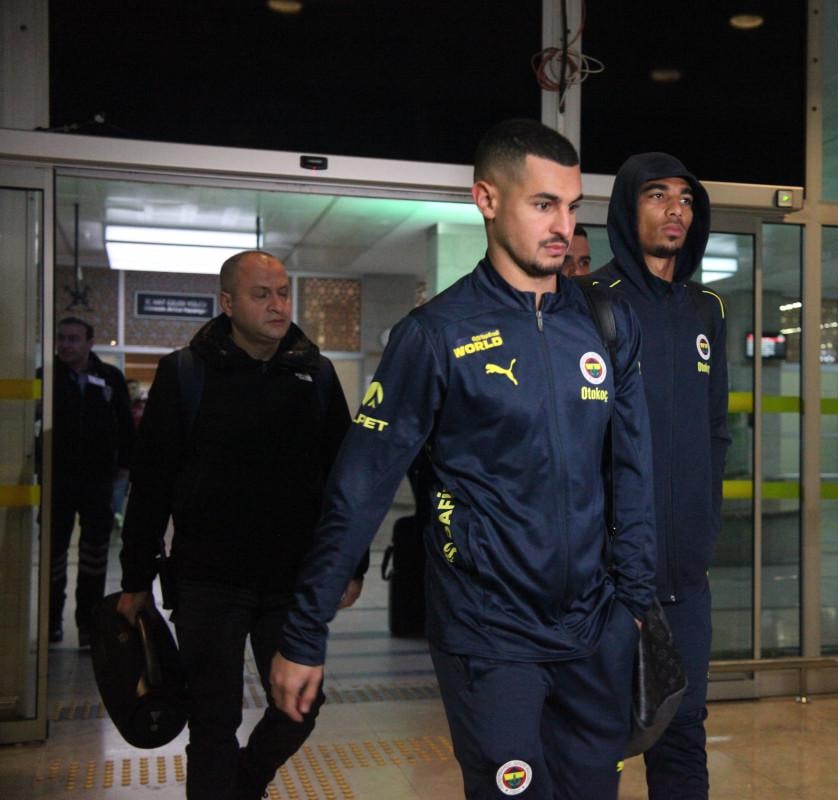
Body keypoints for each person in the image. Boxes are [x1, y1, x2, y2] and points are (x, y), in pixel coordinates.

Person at [270, 119, 657, 800]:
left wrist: (633, 604)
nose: (563, 226)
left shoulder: (605, 325)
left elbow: (633, 471)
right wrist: (306, 629)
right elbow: (361, 484)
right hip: (489, 636)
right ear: (487, 199)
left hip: (594, 632)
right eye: (543, 204)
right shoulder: (436, 336)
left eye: (572, 206)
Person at [116, 250, 364, 800]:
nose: (278, 305)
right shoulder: (186, 373)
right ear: (228, 303)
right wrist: (136, 579)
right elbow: (151, 484)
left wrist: (353, 563)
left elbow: (344, 479)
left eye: (283, 294)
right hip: (208, 582)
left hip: (290, 581)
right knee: (213, 719)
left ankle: (244, 784)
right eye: (261, 295)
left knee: (301, 705)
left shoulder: (315, 375)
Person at [590, 153, 731, 799]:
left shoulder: (707, 309)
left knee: (684, 730)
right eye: (657, 195)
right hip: (610, 577)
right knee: (600, 740)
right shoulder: (592, 302)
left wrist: (705, 522)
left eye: (686, 198)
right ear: (628, 207)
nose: (676, 209)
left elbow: (715, 428)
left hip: (685, 577)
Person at [39, 316, 135, 646]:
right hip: (57, 480)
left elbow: (125, 424)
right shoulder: (46, 377)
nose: (65, 345)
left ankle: (89, 624)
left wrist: (125, 466)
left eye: (73, 339)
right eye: (61, 338)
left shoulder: (109, 377)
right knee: (53, 554)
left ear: (89, 342)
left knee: (94, 556)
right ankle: (51, 621)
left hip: (98, 481)